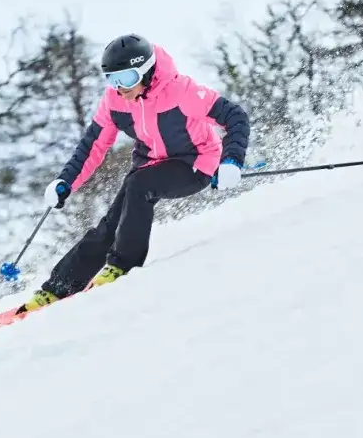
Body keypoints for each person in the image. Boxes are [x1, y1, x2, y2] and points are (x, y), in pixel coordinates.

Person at [16, 33, 250, 313]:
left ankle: (122, 265)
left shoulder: (181, 91)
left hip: (196, 163)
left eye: (126, 79)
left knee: (139, 184)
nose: (119, 89)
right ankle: (59, 287)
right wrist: (65, 181)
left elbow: (235, 116)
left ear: (147, 72)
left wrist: (231, 161)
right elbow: (94, 144)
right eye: (112, 80)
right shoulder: (115, 102)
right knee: (111, 223)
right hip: (151, 166)